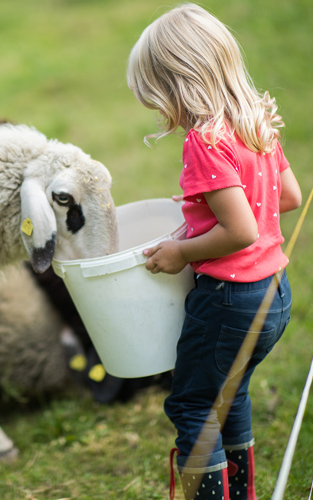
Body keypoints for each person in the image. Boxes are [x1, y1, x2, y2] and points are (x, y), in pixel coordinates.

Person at [126, 4, 302, 500]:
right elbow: (288, 198)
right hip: (274, 294)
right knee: (231, 392)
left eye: (159, 98)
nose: (163, 112)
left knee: (192, 406)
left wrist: (182, 250)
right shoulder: (256, 124)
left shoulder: (205, 140)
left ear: (179, 83)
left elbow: (240, 231)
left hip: (229, 300)